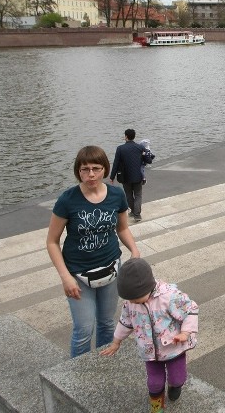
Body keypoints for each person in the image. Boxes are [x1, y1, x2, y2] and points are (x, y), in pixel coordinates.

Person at [46, 145, 141, 357]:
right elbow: (52, 241)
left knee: (107, 324)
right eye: (85, 169)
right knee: (83, 330)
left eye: (96, 168)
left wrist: (134, 250)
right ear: (78, 171)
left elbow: (122, 227)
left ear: (105, 169)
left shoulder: (116, 195)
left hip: (110, 268)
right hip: (78, 273)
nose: (91, 174)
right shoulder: (67, 200)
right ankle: (79, 373)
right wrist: (65, 277)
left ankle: (103, 366)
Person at [100, 258, 198, 411]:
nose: (132, 302)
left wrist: (185, 333)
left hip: (174, 348)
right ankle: (157, 408)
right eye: (129, 299)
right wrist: (116, 341)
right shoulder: (131, 303)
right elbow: (125, 322)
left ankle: (175, 385)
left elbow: (190, 310)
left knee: (177, 377)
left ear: (147, 287)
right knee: (154, 383)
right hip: (149, 352)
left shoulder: (169, 297)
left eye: (135, 299)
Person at [110, 129, 149, 222]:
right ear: (134, 136)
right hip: (138, 176)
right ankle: (137, 215)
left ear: (126, 136)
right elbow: (147, 160)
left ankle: (133, 211)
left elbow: (116, 163)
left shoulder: (120, 149)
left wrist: (112, 177)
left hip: (125, 176)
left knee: (128, 194)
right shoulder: (140, 147)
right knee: (138, 194)